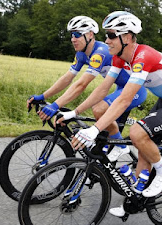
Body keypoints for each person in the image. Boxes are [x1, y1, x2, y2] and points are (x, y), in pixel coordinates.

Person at [58, 11, 162, 217]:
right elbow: (103, 89)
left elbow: (123, 100)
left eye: (111, 35)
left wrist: (95, 130)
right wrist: (75, 112)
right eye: (106, 35)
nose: (106, 40)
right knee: (143, 148)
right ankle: (134, 201)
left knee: (137, 132)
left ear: (128, 37)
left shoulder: (142, 57)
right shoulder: (120, 58)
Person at [27, 16, 147, 161]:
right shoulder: (81, 54)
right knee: (103, 134)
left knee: (98, 109)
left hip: (135, 91)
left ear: (90, 34)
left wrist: (55, 105)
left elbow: (81, 84)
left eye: (77, 34)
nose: (73, 39)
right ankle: (104, 167)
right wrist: (43, 96)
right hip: (120, 88)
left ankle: (121, 148)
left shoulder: (101, 52)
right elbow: (67, 78)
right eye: (71, 35)